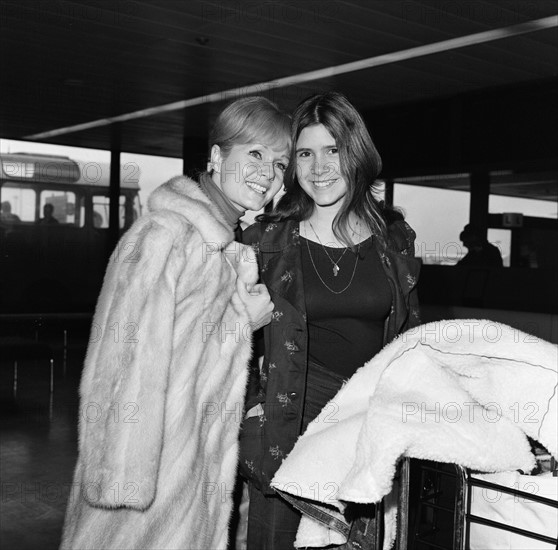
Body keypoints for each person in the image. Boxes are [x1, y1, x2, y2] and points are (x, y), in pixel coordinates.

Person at [60, 96, 290, 550]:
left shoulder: (226, 250)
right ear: (218, 156)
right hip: (144, 496)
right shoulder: (164, 236)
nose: (268, 172)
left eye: (280, 163)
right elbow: (120, 365)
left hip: (189, 486)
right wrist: (121, 488)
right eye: (255, 154)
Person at [239, 91, 421, 549]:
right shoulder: (266, 241)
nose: (319, 168)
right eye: (305, 153)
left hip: (367, 422)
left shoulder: (393, 238)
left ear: (355, 153)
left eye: (332, 150)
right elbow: (217, 337)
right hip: (290, 418)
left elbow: (410, 337)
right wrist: (248, 404)